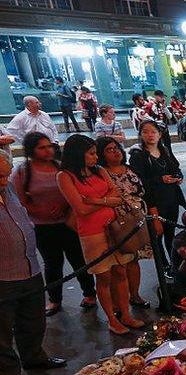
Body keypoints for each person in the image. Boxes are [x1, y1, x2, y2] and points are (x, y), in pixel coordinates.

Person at [57, 135, 142, 336]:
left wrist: (96, 200)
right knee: (104, 276)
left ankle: (125, 314)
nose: (96, 157)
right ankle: (112, 319)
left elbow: (117, 198)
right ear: (79, 154)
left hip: (114, 227)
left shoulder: (100, 171)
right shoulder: (65, 176)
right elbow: (80, 209)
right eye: (92, 153)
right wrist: (106, 201)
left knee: (121, 271)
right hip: (92, 233)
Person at [0, 155, 67, 375]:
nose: (5, 179)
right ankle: (9, 372)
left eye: (6, 174)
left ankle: (34, 357)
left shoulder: (7, 188)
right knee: (2, 328)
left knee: (33, 318)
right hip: (3, 274)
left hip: (29, 266)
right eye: (0, 175)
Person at [12, 132, 98, 316]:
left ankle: (90, 293)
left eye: (49, 146)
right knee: (52, 263)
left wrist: (65, 207)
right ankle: (54, 299)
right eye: (41, 148)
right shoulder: (23, 171)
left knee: (78, 259)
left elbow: (76, 191)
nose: (47, 150)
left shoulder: (61, 168)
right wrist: (39, 211)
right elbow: (19, 200)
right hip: (42, 226)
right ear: (31, 150)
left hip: (68, 222)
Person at [95, 136, 152, 310]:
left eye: (117, 148)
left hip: (137, 218)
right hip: (117, 220)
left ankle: (134, 295)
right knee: (118, 264)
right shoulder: (101, 173)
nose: (115, 152)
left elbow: (145, 191)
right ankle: (118, 304)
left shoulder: (130, 169)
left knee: (134, 258)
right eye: (109, 150)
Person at [128, 120, 186, 269]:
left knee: (170, 232)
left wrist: (178, 176)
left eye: (153, 132)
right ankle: (163, 266)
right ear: (140, 135)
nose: (150, 135)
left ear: (160, 134)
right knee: (157, 234)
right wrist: (160, 179)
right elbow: (139, 180)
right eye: (145, 132)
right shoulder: (138, 155)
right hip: (154, 200)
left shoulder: (164, 150)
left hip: (171, 197)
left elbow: (175, 167)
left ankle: (174, 263)